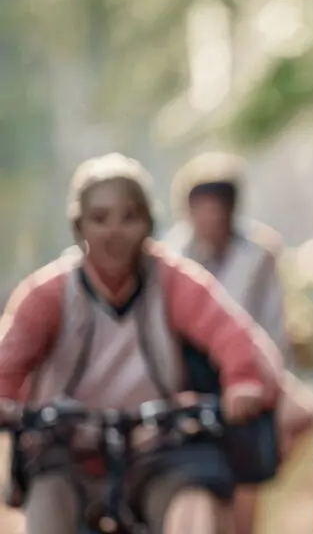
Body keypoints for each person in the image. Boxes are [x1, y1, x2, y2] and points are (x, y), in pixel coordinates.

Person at [0, 153, 285, 534]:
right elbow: (10, 357)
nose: (114, 232)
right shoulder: (47, 294)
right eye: (100, 218)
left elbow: (229, 333)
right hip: (67, 453)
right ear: (78, 226)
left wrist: (243, 380)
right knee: (47, 509)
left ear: (149, 224)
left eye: (129, 218)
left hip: (161, 450)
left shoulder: (175, 280)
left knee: (197, 505)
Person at [163, 151, 313, 534]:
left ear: (230, 209)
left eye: (215, 208)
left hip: (253, 364)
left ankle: (260, 471)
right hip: (191, 373)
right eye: (201, 209)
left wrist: (264, 379)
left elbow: (272, 322)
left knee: (300, 417)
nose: (208, 218)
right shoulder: (171, 254)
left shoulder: (258, 252)